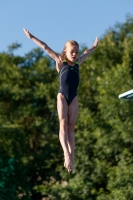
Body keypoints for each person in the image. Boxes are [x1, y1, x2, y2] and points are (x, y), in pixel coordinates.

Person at [23, 28, 98, 172]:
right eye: (72, 52)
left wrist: (94, 47)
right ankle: (66, 154)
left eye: (76, 52)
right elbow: (45, 46)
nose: (75, 55)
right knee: (63, 124)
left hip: (74, 97)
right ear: (65, 51)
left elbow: (86, 54)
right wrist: (31, 36)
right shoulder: (60, 61)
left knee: (71, 126)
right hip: (62, 96)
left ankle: (72, 156)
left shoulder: (77, 63)